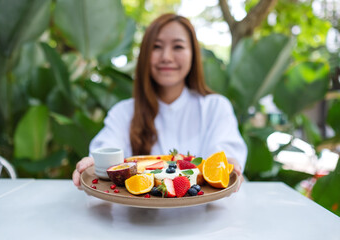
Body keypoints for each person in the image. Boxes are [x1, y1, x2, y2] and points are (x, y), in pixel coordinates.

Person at [72, 13, 247, 188]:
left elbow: (224, 152)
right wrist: (94, 163)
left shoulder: (215, 107)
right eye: (156, 47)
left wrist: (230, 162)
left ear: (193, 54)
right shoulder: (123, 112)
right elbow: (108, 147)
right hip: (136, 214)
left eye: (178, 47)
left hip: (204, 213)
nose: (166, 57)